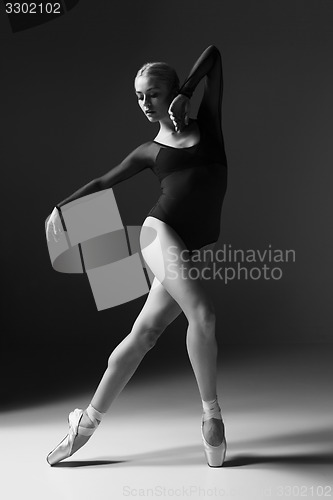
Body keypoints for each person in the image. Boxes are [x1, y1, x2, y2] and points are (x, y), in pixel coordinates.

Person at [46, 44, 228, 468]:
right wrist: (61, 207)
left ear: (172, 92)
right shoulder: (151, 150)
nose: (145, 103)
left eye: (154, 94)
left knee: (143, 335)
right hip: (158, 233)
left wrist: (187, 90)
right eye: (139, 96)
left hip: (184, 245)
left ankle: (84, 425)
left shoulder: (211, 127)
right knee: (203, 314)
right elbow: (103, 180)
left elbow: (215, 57)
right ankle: (212, 417)